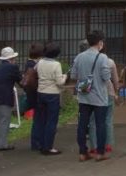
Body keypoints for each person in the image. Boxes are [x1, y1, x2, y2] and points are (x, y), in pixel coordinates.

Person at [70, 30, 113, 161]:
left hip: (84, 95)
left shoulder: (79, 57)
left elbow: (73, 76)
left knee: (82, 124)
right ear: (100, 43)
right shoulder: (102, 57)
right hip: (99, 96)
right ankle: (100, 152)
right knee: (100, 124)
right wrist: (112, 92)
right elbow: (106, 77)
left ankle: (83, 152)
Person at [0, 47, 22, 151]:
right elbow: (20, 81)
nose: (15, 60)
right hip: (4, 98)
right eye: (14, 58)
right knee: (4, 121)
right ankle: (1, 145)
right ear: (11, 59)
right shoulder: (12, 67)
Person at [32, 42, 65, 155]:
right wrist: (64, 77)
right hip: (52, 94)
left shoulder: (40, 62)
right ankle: (48, 147)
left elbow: (35, 71)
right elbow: (60, 82)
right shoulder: (56, 65)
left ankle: (40, 144)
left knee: (41, 120)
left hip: (40, 93)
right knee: (51, 121)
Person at [88, 50, 118, 157]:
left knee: (93, 121)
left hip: (91, 94)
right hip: (108, 92)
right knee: (108, 119)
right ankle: (108, 145)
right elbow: (115, 79)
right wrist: (116, 91)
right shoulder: (109, 62)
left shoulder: (84, 60)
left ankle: (94, 147)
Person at [22, 43, 44, 121]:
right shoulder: (33, 64)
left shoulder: (29, 63)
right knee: (34, 107)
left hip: (30, 89)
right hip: (34, 89)